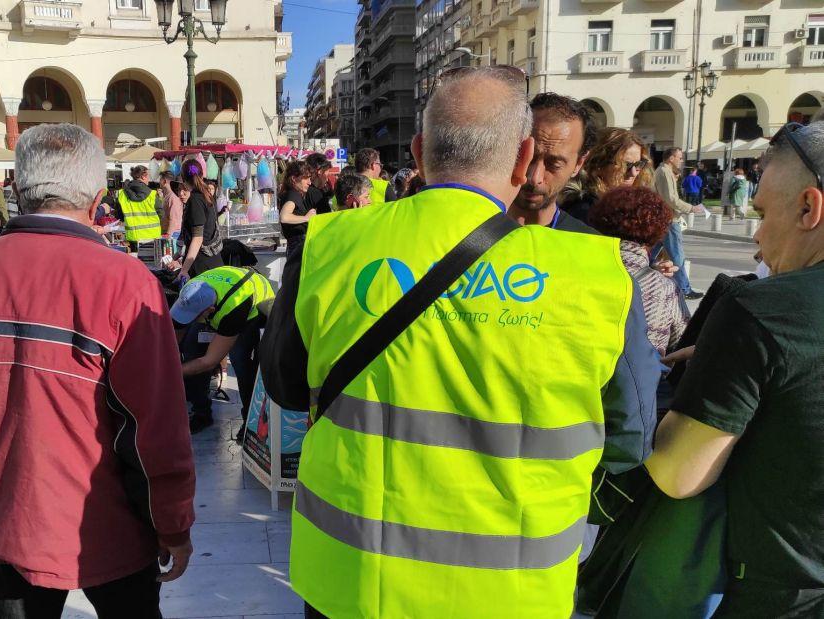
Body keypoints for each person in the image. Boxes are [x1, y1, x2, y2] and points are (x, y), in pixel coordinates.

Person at [259, 66, 659, 618]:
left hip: (352, 582)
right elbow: (632, 438)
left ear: (419, 153)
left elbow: (282, 385)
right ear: (523, 158)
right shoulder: (599, 275)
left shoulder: (329, 245)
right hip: (511, 591)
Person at [0, 123, 195, 619]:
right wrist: (172, 525)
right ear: (99, 199)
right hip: (111, 532)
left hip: (5, 522)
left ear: (18, 189)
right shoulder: (126, 282)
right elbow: (155, 429)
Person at [646, 121, 824, 617]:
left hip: (782, 595)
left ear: (809, 207)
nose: (758, 240)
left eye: (764, 214)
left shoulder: (762, 311)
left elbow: (678, 473)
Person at [173, 265, 276, 436]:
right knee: (191, 351)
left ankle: (249, 423)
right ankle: (201, 413)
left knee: (240, 361)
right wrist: (172, 357)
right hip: (223, 293)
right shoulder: (190, 291)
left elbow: (209, 361)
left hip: (251, 305)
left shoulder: (234, 309)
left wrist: (172, 372)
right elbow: (178, 328)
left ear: (209, 311)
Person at [588, 186, 688, 356]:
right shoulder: (664, 288)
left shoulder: (585, 272)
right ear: (657, 230)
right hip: (643, 378)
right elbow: (682, 342)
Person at [508, 92, 598, 234]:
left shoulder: (589, 246)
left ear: (579, 164)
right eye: (527, 157)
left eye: (554, 164)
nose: (534, 178)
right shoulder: (469, 232)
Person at [560, 127, 652, 224]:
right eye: (625, 165)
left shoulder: (636, 208)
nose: (633, 173)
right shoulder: (583, 212)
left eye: (638, 164)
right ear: (598, 165)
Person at [653, 147, 703, 300]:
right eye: (679, 158)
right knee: (677, 255)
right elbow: (671, 199)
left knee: (651, 252)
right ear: (670, 158)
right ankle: (684, 289)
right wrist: (691, 208)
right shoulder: (664, 172)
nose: (681, 161)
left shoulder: (665, 172)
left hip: (664, 218)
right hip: (669, 220)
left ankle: (636, 275)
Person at [174, 159, 222, 278]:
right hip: (213, 262)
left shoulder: (195, 200)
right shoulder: (207, 196)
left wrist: (184, 270)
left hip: (201, 266)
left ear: (183, 178)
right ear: (201, 174)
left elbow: (198, 238)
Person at [115, 165, 164, 249]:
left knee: (135, 261)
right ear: (143, 176)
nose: (149, 179)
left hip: (133, 239)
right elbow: (161, 214)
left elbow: (119, 216)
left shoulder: (121, 194)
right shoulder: (152, 195)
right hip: (153, 238)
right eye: (148, 176)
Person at [278, 160, 316, 257]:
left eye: (310, 178)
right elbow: (284, 217)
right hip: (298, 246)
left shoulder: (291, 193)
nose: (309, 182)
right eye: (305, 178)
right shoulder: (293, 194)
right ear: (294, 179)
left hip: (296, 245)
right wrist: (307, 218)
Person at [158, 170, 184, 245]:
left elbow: (173, 218)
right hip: (169, 233)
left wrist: (168, 236)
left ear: (164, 181)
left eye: (160, 180)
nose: (159, 182)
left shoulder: (172, 197)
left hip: (173, 234)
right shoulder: (168, 196)